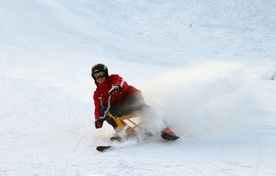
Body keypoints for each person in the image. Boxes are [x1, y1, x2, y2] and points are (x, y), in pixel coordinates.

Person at [91, 63, 179, 141]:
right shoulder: (97, 94)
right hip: (120, 108)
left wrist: (117, 88)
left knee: (139, 105)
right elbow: (98, 108)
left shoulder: (114, 79)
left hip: (130, 98)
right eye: (96, 76)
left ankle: (164, 128)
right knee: (104, 111)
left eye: (101, 74)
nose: (99, 78)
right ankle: (125, 131)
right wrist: (98, 119)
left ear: (106, 74)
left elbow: (121, 82)